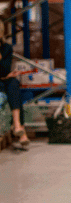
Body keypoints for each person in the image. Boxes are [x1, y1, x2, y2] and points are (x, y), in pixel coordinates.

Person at [0, 22, 30, 150]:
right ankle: (20, 129)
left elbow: (4, 69)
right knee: (8, 83)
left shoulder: (6, 47)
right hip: (1, 80)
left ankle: (17, 124)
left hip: (4, 80)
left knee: (13, 84)